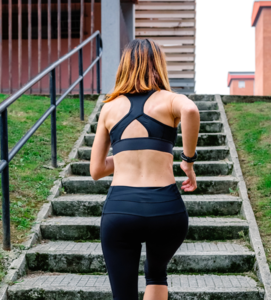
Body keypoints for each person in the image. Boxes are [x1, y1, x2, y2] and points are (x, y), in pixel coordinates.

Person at [90, 38, 200, 300]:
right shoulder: (171, 100)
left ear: (124, 66)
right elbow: (191, 110)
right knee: (156, 274)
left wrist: (128, 155)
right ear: (159, 65)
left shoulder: (109, 108)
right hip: (166, 210)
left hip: (121, 211)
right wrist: (188, 160)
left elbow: (96, 170)